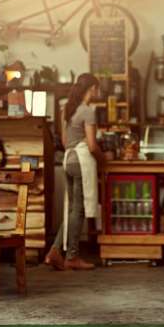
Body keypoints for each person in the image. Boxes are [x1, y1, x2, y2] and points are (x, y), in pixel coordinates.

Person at [44, 73, 105, 271]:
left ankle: (55, 250)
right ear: (92, 89)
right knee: (78, 209)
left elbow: (63, 141)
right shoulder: (88, 111)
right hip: (80, 161)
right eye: (97, 88)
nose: (98, 91)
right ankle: (72, 256)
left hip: (68, 160)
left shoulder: (67, 110)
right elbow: (92, 145)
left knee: (72, 209)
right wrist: (104, 161)